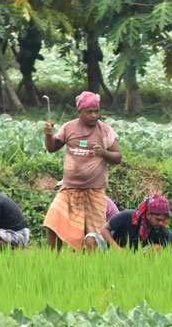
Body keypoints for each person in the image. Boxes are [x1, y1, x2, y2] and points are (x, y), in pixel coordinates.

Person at [42, 91, 122, 252]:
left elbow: (118, 157)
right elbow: (52, 148)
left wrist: (104, 153)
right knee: (52, 223)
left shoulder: (104, 130)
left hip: (95, 191)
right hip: (69, 189)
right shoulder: (69, 128)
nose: (94, 115)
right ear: (80, 112)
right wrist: (48, 135)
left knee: (94, 234)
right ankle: (52, 261)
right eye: (89, 112)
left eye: (96, 111)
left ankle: (91, 266)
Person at [101, 194, 172, 252]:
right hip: (114, 251)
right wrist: (117, 248)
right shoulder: (127, 216)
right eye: (158, 219)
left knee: (157, 248)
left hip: (137, 258)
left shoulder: (161, 231)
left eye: (163, 220)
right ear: (148, 214)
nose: (161, 223)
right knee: (91, 238)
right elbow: (104, 229)